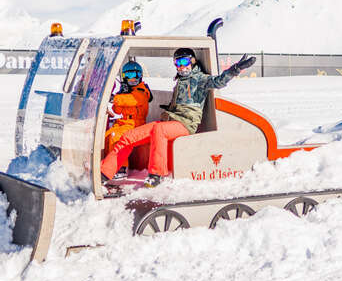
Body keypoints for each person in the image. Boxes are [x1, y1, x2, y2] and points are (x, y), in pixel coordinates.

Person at [101, 48, 256, 187]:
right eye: (177, 63)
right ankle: (105, 172)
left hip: (186, 124)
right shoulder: (180, 80)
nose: (181, 66)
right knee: (129, 136)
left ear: (192, 61)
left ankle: (157, 174)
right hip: (171, 121)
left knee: (159, 130)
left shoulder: (199, 79)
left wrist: (235, 69)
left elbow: (218, 81)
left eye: (184, 61)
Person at [104, 61, 152, 178]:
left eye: (136, 75)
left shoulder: (142, 90)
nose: (133, 79)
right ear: (124, 77)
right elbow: (117, 110)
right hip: (123, 122)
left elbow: (133, 100)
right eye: (129, 75)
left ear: (140, 75)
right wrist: (122, 92)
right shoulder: (126, 92)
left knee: (117, 136)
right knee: (107, 136)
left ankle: (121, 168)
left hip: (136, 123)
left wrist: (116, 97)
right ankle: (106, 166)